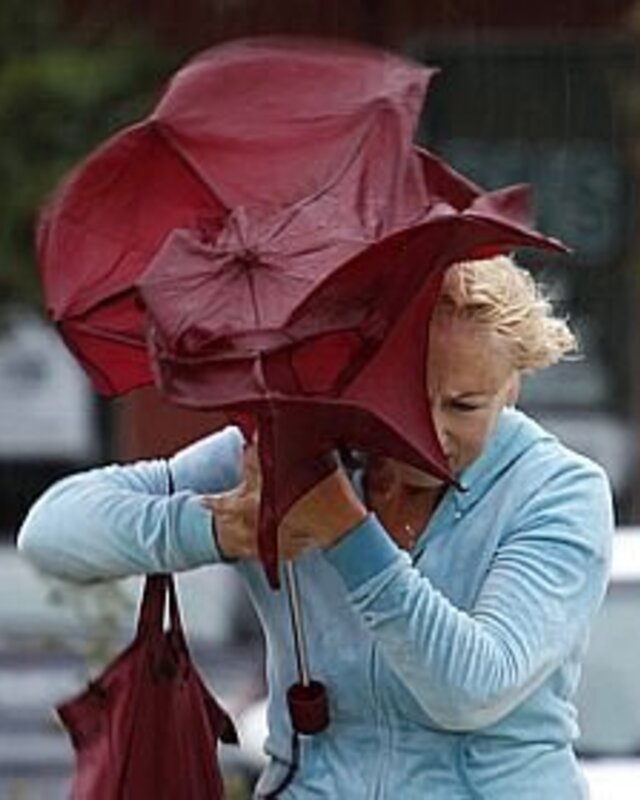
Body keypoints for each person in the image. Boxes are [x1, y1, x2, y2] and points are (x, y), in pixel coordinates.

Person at [17, 254, 613, 799]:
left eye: (464, 405)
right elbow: (50, 531)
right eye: (403, 396)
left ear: (513, 386)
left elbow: (471, 690)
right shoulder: (291, 454)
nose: (429, 432)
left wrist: (345, 531)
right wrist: (223, 530)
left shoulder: (559, 492)